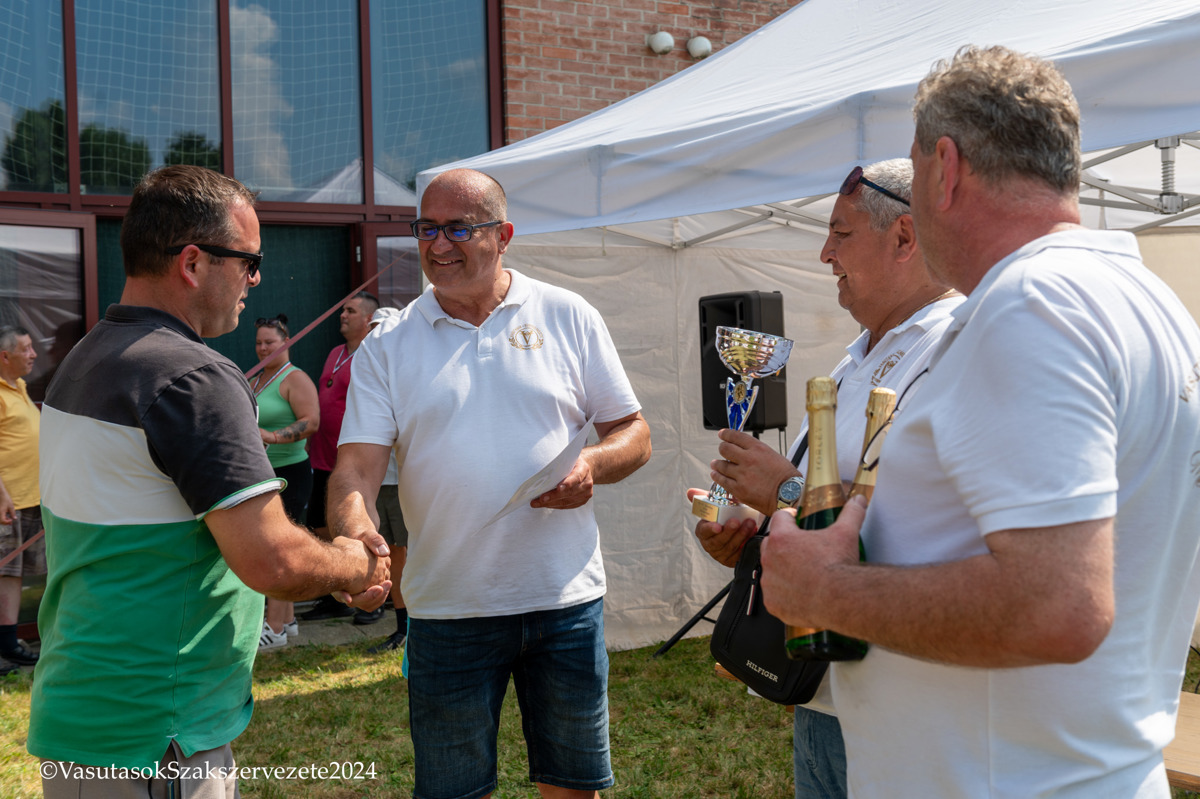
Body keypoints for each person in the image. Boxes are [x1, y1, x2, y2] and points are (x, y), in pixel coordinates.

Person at [760, 45, 1200, 798]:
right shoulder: (1148, 301)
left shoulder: (1034, 304)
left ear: (946, 167)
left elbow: (1058, 607)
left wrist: (826, 589)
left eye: (914, 171)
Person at [29, 164, 391, 797]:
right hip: (158, 730)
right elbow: (272, 559)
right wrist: (356, 566)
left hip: (90, 708)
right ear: (193, 263)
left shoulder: (86, 358)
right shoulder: (194, 377)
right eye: (249, 261)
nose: (256, 279)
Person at [327, 168, 651, 799]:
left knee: (573, 787)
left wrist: (591, 465)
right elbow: (356, 469)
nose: (437, 244)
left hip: (563, 602)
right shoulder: (388, 344)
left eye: (457, 228)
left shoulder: (568, 314)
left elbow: (634, 432)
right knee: (452, 790)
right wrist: (353, 534)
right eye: (426, 229)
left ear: (503, 235)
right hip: (448, 608)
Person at [689, 159, 961, 799]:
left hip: (902, 709)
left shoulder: (954, 348)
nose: (824, 254)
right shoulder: (855, 356)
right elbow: (827, 505)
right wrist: (757, 531)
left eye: (840, 234)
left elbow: (921, 530)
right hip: (822, 694)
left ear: (905, 237)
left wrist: (784, 492)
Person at [301, 290, 380, 622]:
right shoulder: (335, 352)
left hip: (351, 460)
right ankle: (335, 592)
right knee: (321, 526)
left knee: (356, 527)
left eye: (350, 311)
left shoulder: (373, 353)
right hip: (321, 455)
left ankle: (370, 593)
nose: (342, 315)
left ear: (369, 319)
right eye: (342, 310)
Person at [250, 313, 321, 650]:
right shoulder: (256, 379)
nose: (263, 348)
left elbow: (311, 422)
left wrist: (274, 436)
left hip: (290, 473)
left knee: (279, 549)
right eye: (259, 343)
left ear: (286, 342)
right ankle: (288, 620)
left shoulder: (295, 378)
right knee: (275, 546)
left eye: (270, 342)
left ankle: (274, 629)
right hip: (264, 474)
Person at [363, 305, 411, 653]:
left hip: (404, 484)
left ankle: (416, 626)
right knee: (392, 553)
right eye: (372, 330)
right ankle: (403, 627)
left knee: (411, 553)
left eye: (382, 329)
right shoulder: (370, 371)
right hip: (379, 482)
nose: (377, 336)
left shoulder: (407, 370)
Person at [0, 325, 46, 673]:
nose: (33, 354)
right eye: (26, 348)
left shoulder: (20, 387)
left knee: (13, 574)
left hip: (30, 498)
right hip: (7, 501)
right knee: (4, 571)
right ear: (5, 356)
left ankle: (8, 644)